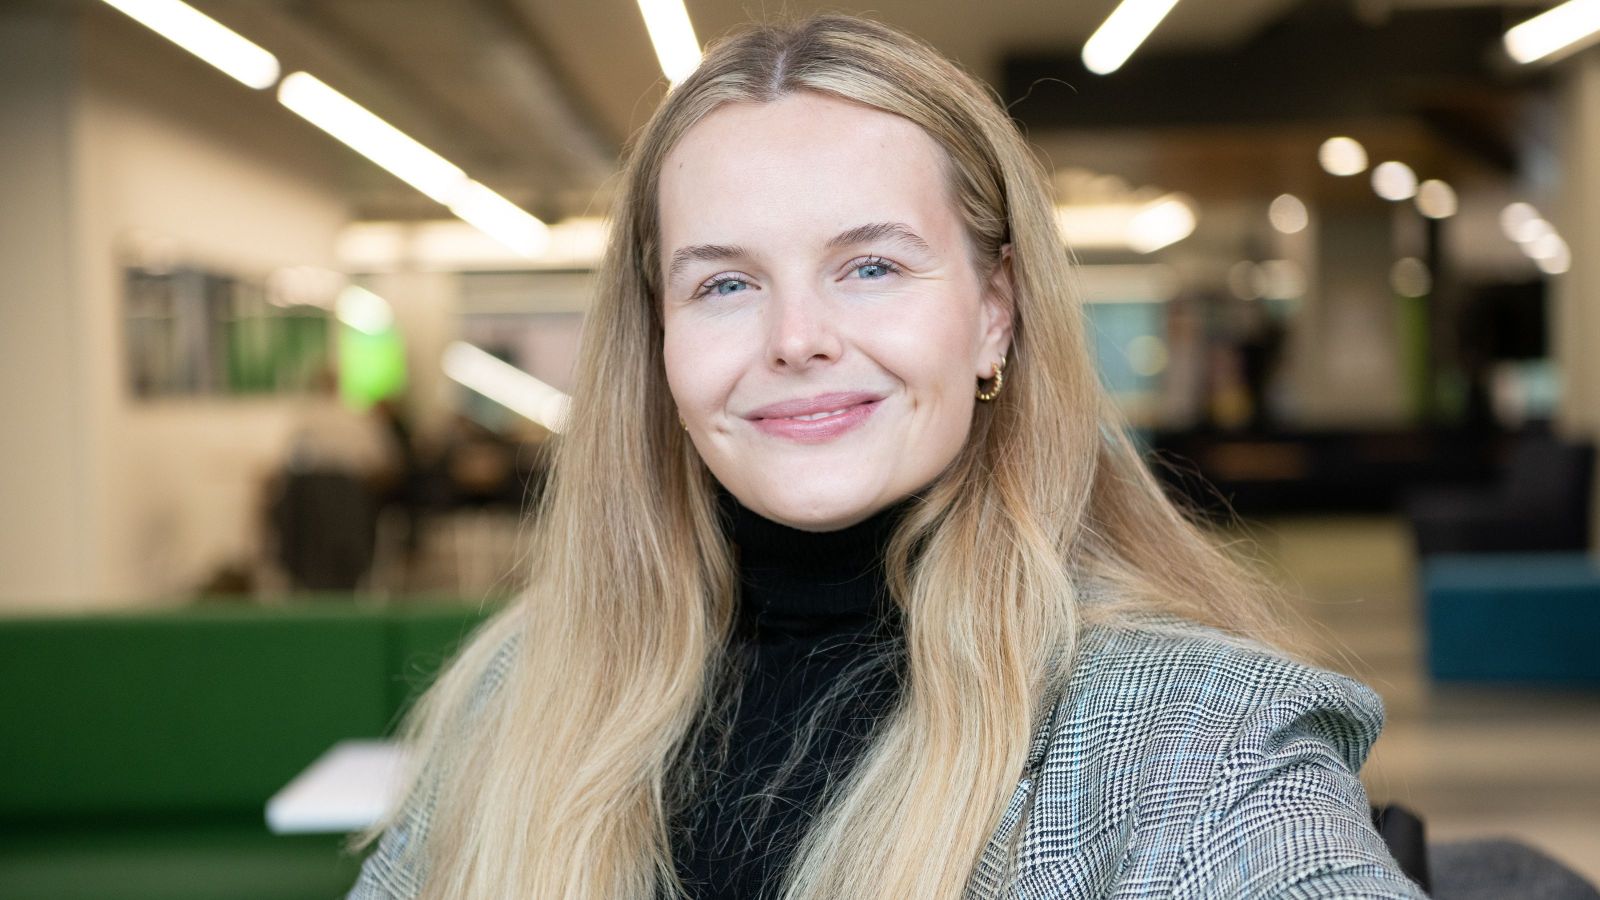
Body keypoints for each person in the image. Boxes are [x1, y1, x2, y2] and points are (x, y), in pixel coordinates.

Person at [347, 15, 1427, 900]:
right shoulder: (520, 688)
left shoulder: (1198, 738)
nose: (795, 337)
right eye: (723, 283)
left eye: (869, 266)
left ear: (995, 313)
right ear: (659, 344)